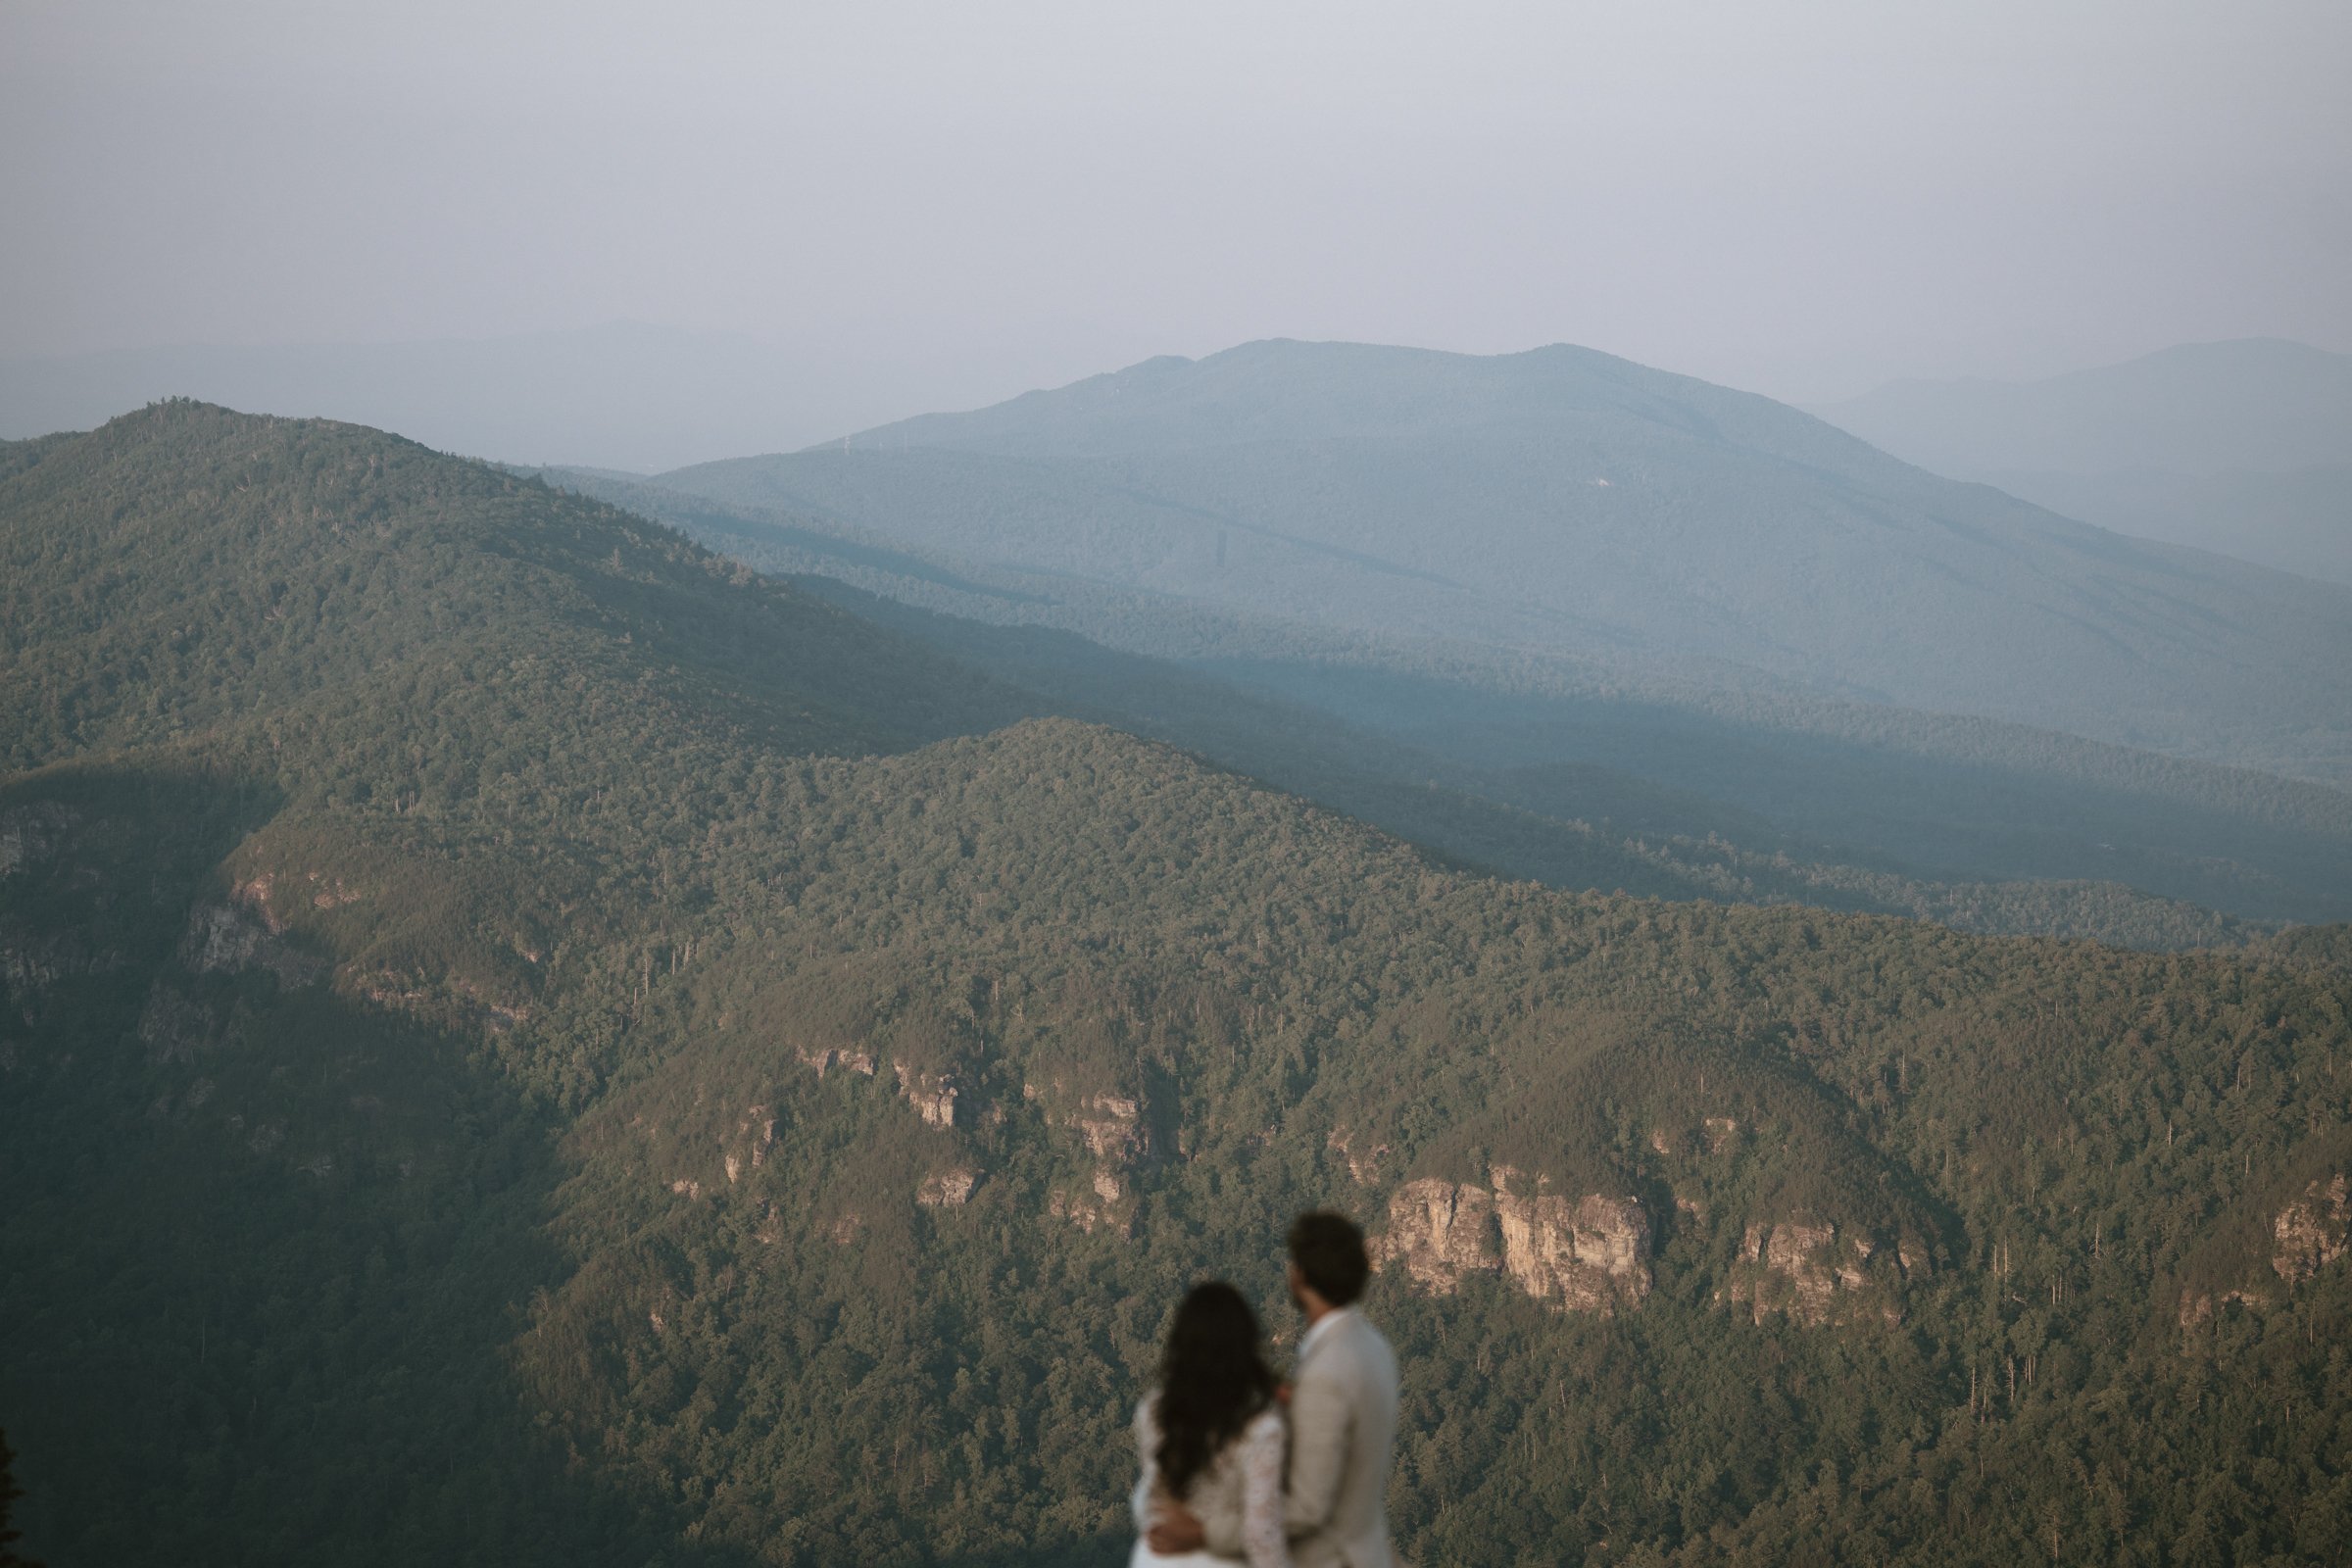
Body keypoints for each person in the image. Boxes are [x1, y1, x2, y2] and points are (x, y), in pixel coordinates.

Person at [1150, 1212, 1399, 1568]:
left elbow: (1307, 1510)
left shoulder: (1325, 1375)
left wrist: (1204, 1532)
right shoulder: (1375, 1347)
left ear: (1299, 1276)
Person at [1130, 1281, 1291, 1567]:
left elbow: (1150, 1500)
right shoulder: (1261, 1428)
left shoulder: (1155, 1411)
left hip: (1159, 1559)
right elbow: (1262, 1534)